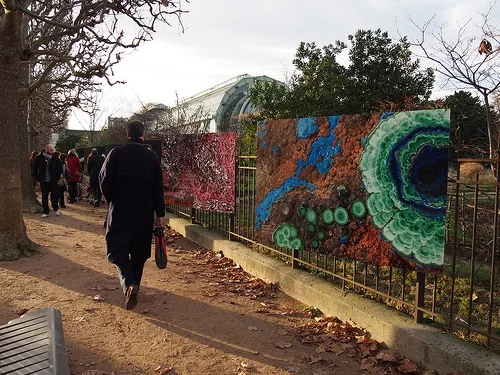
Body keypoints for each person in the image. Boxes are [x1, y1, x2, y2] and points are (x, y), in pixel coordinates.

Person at [99, 120, 165, 310]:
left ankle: (129, 284)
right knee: (139, 252)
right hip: (144, 211)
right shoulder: (152, 157)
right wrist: (159, 214)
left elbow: (104, 180)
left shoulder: (116, 154)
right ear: (143, 134)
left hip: (120, 208)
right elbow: (157, 189)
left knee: (117, 249)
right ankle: (134, 284)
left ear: (127, 134)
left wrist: (110, 198)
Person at [32, 144, 63, 218]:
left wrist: (57, 177)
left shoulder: (55, 157)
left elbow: (59, 168)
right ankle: (46, 211)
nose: (52, 152)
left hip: (53, 180)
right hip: (44, 180)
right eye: (51, 150)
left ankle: (55, 209)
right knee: (44, 197)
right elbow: (35, 169)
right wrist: (38, 178)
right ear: (47, 150)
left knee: (54, 195)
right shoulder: (39, 158)